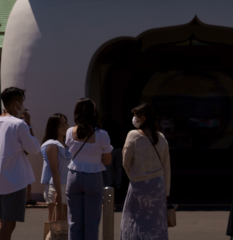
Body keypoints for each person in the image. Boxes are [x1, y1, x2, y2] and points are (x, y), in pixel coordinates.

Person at [0, 87, 40, 240]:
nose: (23, 106)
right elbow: (34, 148)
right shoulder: (19, 124)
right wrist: (29, 125)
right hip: (15, 181)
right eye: (22, 102)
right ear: (16, 103)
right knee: (9, 223)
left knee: (3, 220)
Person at [121, 103, 171, 240]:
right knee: (155, 224)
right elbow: (166, 166)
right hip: (158, 186)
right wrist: (166, 191)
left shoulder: (133, 135)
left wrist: (134, 177)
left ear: (142, 118)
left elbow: (125, 162)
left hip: (139, 185)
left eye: (135, 116)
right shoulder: (161, 138)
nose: (133, 119)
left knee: (134, 222)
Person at [66, 98, 113, 240]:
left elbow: (70, 150)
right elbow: (107, 160)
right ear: (94, 113)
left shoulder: (70, 132)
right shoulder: (102, 134)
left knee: (74, 221)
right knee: (92, 222)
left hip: (73, 175)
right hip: (93, 175)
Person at [41, 113, 71, 223]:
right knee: (56, 224)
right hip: (55, 187)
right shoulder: (51, 144)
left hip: (68, 186)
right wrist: (58, 192)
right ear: (53, 127)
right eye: (60, 124)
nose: (65, 126)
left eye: (65, 123)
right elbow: (54, 171)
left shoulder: (68, 144)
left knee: (65, 223)